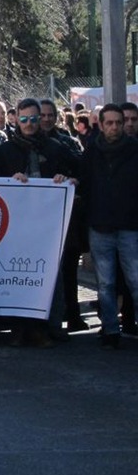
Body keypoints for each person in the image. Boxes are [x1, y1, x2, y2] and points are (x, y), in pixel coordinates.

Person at [0, 98, 77, 347]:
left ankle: (45, 327)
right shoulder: (5, 150)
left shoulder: (55, 147)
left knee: (48, 275)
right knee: (18, 274)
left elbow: (78, 170)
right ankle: (19, 328)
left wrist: (67, 178)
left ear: (40, 119)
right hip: (16, 224)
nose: (29, 124)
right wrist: (10, 179)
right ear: (16, 119)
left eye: (33, 119)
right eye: (24, 119)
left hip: (47, 225)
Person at [78, 104, 138, 350]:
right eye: (109, 122)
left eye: (118, 122)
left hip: (130, 226)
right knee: (106, 283)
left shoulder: (135, 150)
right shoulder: (91, 152)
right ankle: (110, 329)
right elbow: (83, 183)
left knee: (136, 280)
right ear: (101, 125)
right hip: (100, 226)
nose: (114, 126)